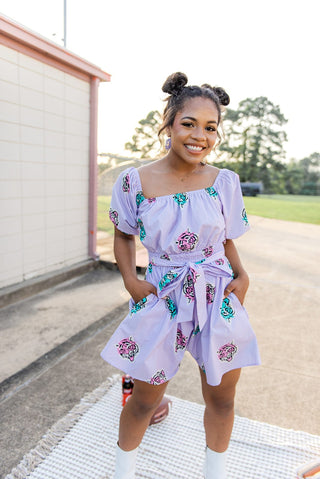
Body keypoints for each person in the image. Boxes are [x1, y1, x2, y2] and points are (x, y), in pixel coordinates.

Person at [101, 72, 261, 479]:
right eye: (189, 123)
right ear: (169, 123)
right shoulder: (135, 181)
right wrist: (132, 283)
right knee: (144, 400)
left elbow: (225, 240)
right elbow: (122, 236)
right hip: (164, 297)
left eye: (210, 127)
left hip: (216, 294)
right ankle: (123, 472)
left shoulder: (225, 182)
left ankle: (215, 474)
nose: (199, 136)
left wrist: (242, 277)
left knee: (222, 398)